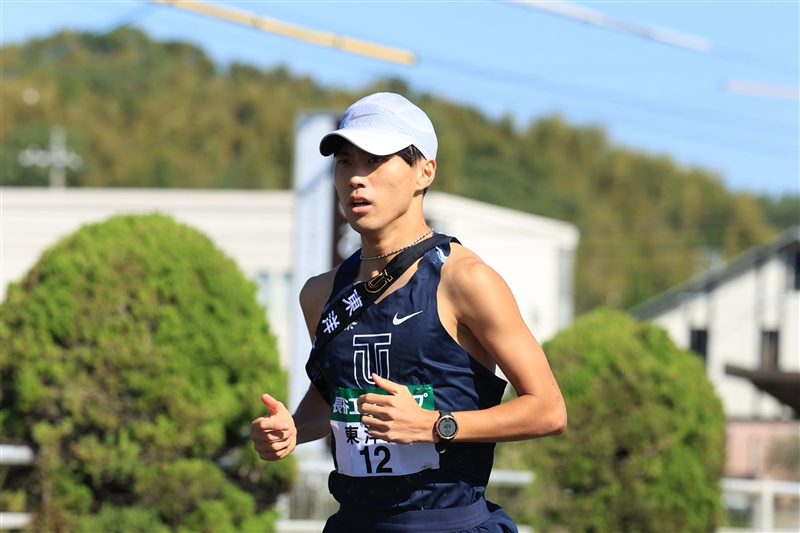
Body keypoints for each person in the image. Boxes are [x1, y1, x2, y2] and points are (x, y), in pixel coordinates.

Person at [251, 92, 567, 533]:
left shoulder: (465, 280)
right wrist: (293, 428)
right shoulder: (320, 294)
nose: (356, 179)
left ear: (425, 171)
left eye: (375, 160)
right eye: (344, 162)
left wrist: (435, 426)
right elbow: (334, 400)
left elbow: (549, 410)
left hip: (450, 523)